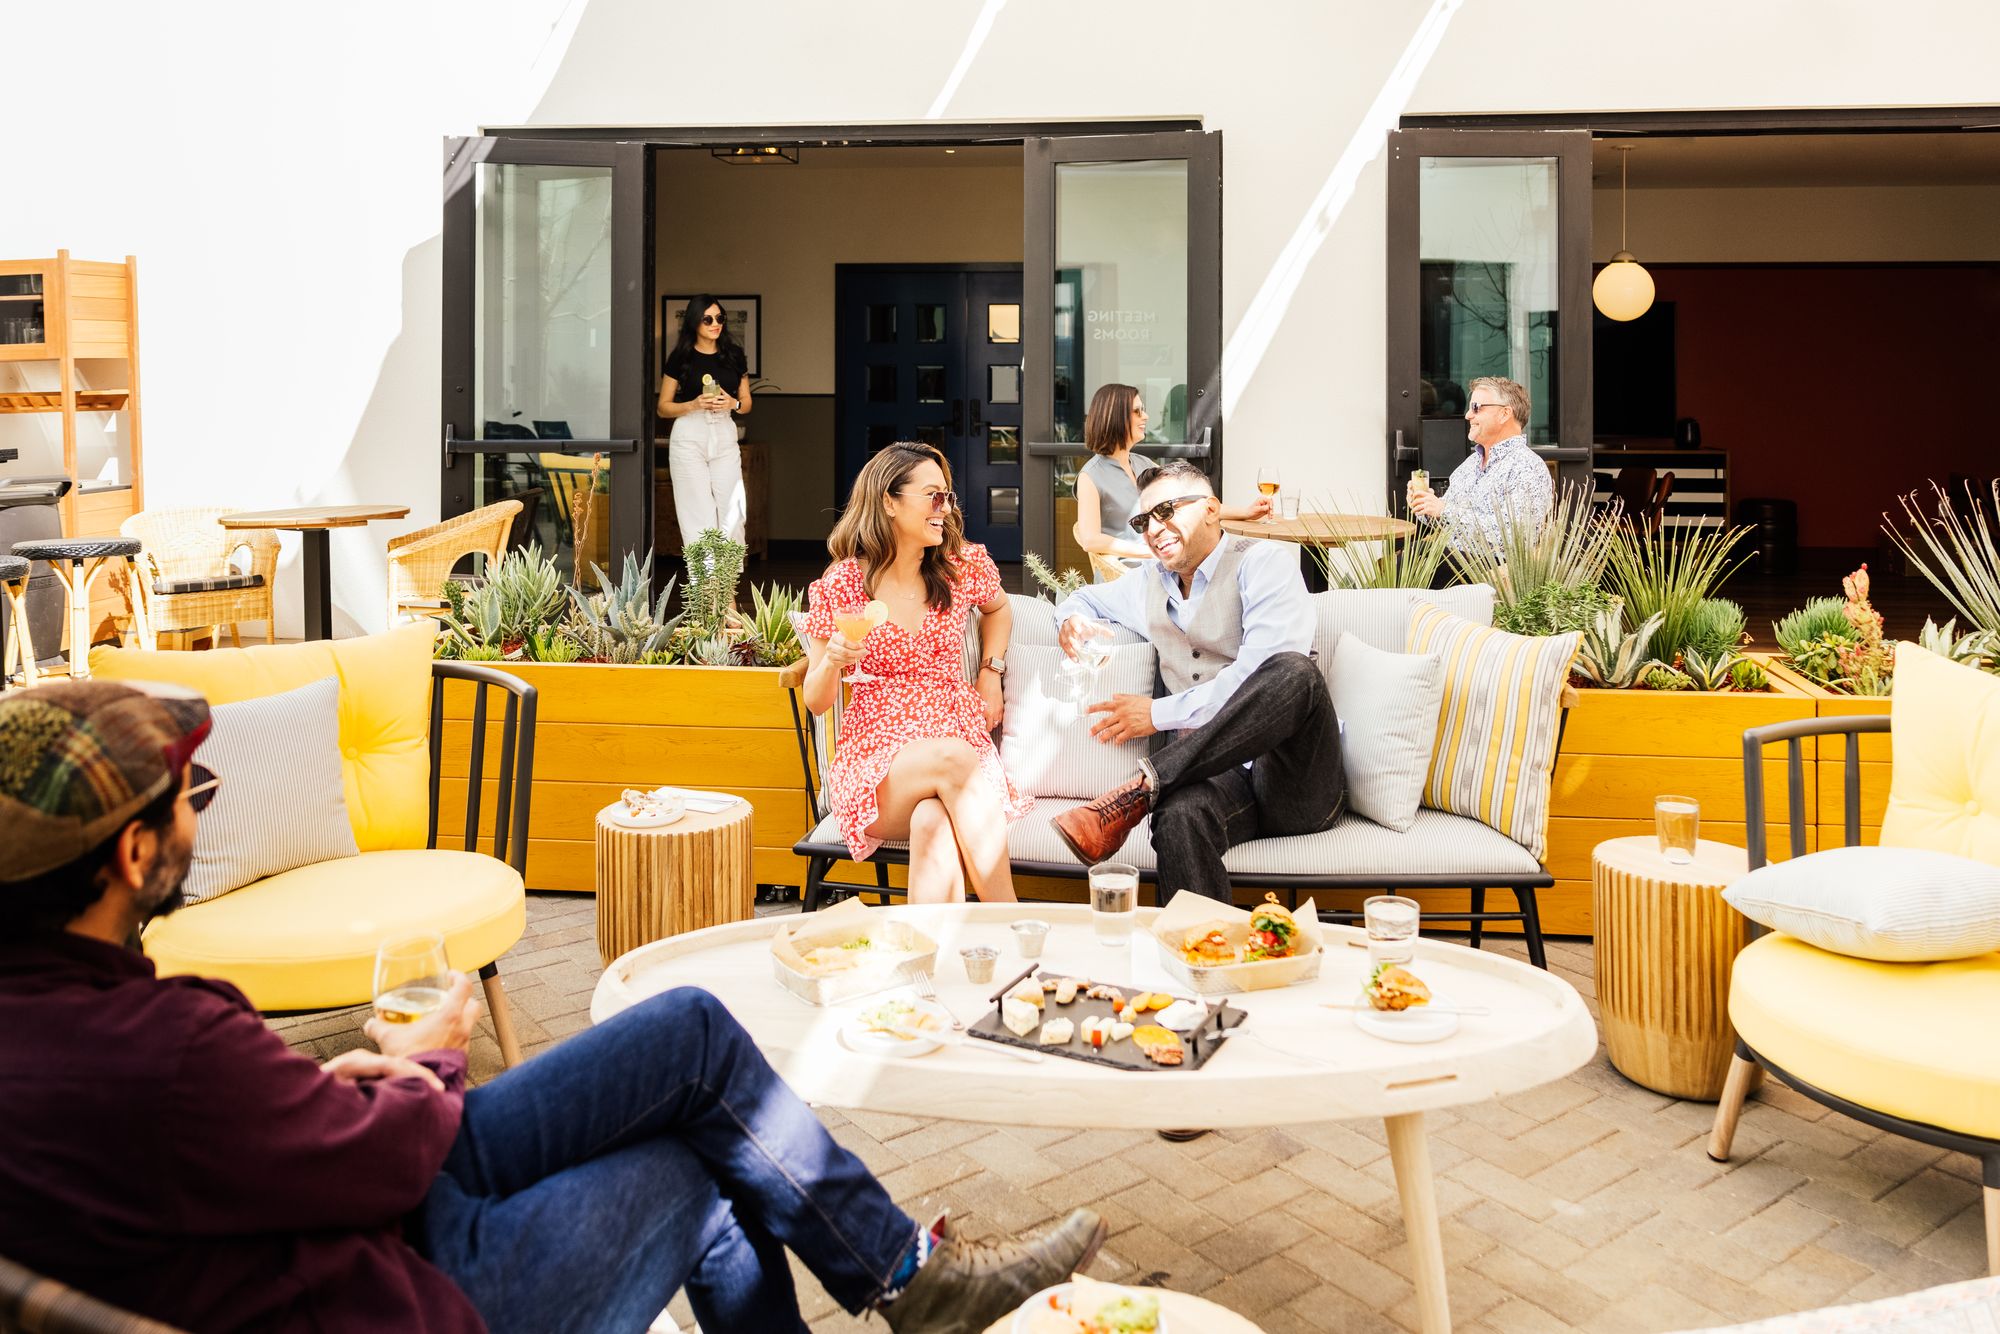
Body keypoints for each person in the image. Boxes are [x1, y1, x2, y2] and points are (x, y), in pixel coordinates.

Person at [0, 680, 1104, 1334]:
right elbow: (376, 1164)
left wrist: (323, 1091)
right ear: (133, 851)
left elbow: (230, 1144)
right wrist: (429, 1059)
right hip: (406, 1276)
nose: (202, 813)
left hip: (322, 1209)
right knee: (705, 1156)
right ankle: (915, 1278)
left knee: (690, 1034)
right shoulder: (164, 1048)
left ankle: (911, 1274)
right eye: (191, 798)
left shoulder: (62, 1026)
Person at [1045, 460, 1346, 903]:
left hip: (1292, 778)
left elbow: (1256, 676)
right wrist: (1070, 620)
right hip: (1218, 781)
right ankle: (1202, 960)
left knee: (1293, 670)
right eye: (1143, 519)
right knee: (1178, 815)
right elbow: (1083, 597)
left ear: (1211, 508)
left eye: (1167, 510)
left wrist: (1156, 714)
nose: (1154, 527)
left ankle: (1144, 786)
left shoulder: (1263, 565)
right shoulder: (1146, 583)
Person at [802, 443, 1025, 904]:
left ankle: (930, 965)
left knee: (933, 822)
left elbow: (999, 610)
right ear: (889, 500)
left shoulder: (959, 566)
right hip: (878, 761)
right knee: (954, 759)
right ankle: (1011, 925)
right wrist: (833, 661)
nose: (945, 508)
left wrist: (990, 671)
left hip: (952, 735)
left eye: (947, 497)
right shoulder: (844, 583)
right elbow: (817, 701)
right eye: (932, 496)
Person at [1071, 384, 1270, 580]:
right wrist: (1150, 551)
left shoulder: (1143, 464)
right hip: (1133, 573)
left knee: (1238, 565)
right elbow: (1091, 540)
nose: (1145, 417)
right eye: (1137, 412)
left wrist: (1246, 512)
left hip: (1164, 563)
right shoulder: (1090, 477)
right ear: (1116, 418)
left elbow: (1192, 504)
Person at [1408, 374, 1552, 556]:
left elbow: (1517, 535)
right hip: (1451, 556)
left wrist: (1444, 510)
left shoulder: (1527, 466)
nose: (1468, 415)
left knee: (1401, 568)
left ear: (1505, 414)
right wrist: (1425, 506)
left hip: (1490, 569)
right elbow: (1446, 519)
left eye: (1476, 408)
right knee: (1392, 564)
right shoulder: (1471, 463)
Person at [658, 295, 753, 544]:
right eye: (708, 319)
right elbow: (663, 408)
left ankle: (728, 580)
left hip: (724, 431)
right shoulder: (681, 357)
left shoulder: (734, 354)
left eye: (719, 318)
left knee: (733, 510)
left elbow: (746, 403)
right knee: (697, 513)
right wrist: (693, 404)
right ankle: (705, 581)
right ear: (694, 322)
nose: (715, 323)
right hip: (690, 433)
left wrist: (734, 403)